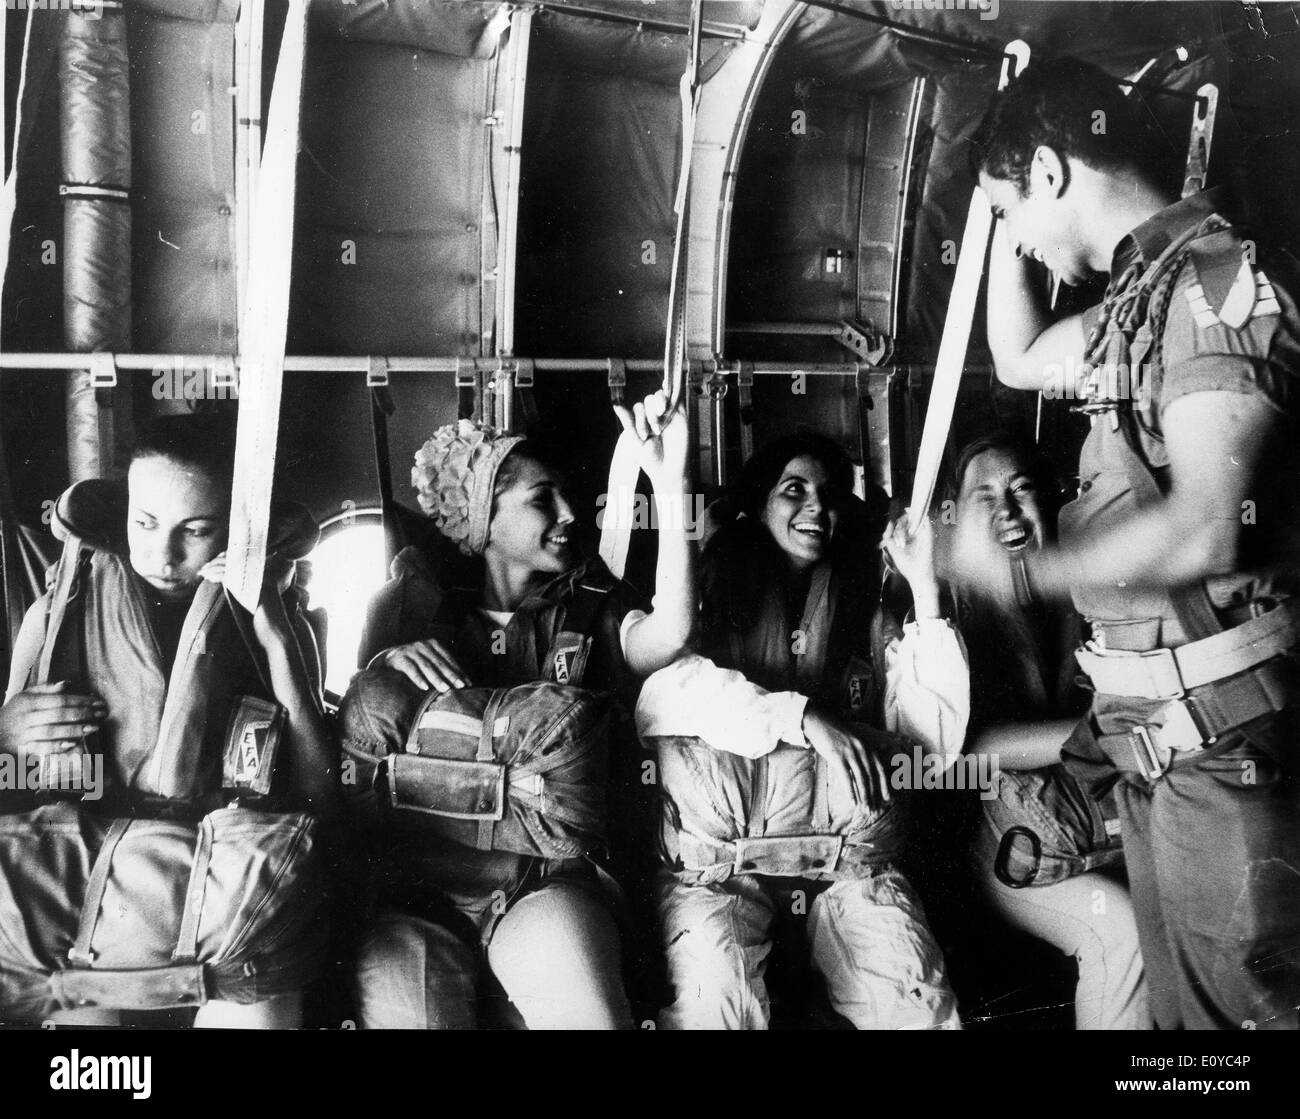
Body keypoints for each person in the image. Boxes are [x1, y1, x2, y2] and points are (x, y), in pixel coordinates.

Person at [961, 58, 1300, 1029]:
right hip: (1157, 745)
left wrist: (1028, 570)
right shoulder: (1133, 308)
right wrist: (996, 210)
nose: (1015, 239)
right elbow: (1019, 358)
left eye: (1010, 209)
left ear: (1052, 172)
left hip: (1222, 747)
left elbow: (1203, 526)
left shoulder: (1217, 289)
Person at [343, 390, 693, 1029]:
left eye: (564, 495)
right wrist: (382, 666)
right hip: (419, 889)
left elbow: (669, 635)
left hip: (542, 880)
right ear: (483, 522)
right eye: (541, 501)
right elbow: (362, 736)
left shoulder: (595, 608)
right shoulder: (401, 612)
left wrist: (669, 488)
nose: (567, 514)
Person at [0, 412, 337, 1028]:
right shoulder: (57, 616)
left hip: (228, 904)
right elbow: (11, 790)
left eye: (197, 530)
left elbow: (322, 793)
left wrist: (277, 638)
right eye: (144, 522)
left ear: (236, 532)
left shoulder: (281, 617)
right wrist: (5, 736)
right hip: (94, 897)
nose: (163, 553)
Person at [635, 432, 966, 1029]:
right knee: (718, 1011)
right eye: (794, 490)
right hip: (721, 872)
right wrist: (807, 720)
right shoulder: (707, 596)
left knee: (919, 1010)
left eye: (830, 493)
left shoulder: (866, 606)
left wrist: (925, 589)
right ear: (759, 504)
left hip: (849, 866)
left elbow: (932, 745)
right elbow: (666, 696)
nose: (816, 505)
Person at [886, 431, 1149, 1029]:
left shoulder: (1084, 588)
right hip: (1004, 841)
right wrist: (1106, 733)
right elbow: (958, 756)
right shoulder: (935, 604)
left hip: (1104, 817)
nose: (1008, 509)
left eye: (1021, 488)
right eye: (986, 496)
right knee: (1121, 935)